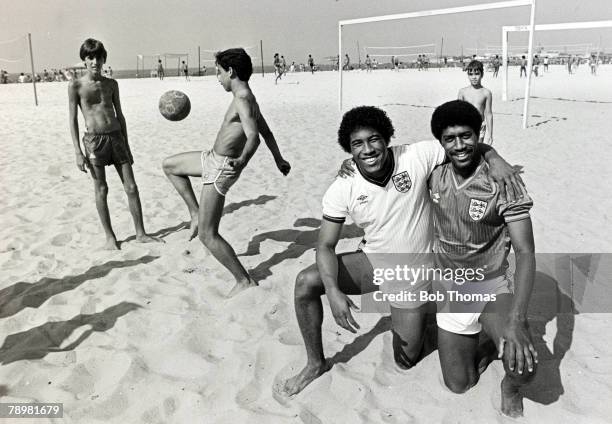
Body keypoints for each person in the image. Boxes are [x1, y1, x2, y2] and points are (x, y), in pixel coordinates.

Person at [280, 106, 524, 397]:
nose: (368, 149)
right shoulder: (342, 186)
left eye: (374, 139)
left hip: (419, 269)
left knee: (405, 361)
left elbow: (461, 142)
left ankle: (454, 328)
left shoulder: (415, 155)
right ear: (349, 149)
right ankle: (315, 363)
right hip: (376, 261)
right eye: (358, 144)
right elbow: (325, 245)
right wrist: (332, 290)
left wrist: (494, 157)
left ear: (387, 139)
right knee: (306, 282)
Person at [429, 100, 537, 417]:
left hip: (492, 287)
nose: (459, 145)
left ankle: (509, 387)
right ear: (441, 142)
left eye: (467, 135)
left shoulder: (503, 182)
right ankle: (487, 343)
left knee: (524, 365)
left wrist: (516, 320)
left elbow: (526, 253)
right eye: (450, 138)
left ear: (479, 134)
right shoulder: (434, 176)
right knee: (459, 385)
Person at [162, 48, 291, 296]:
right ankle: (194, 212)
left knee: (207, 235)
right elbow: (266, 132)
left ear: (230, 71)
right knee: (170, 165)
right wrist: (279, 159)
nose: (217, 78)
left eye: (218, 73)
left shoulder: (242, 99)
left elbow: (253, 137)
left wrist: (242, 161)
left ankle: (244, 280)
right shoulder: (246, 97)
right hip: (212, 158)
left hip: (222, 167)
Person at [68, 38, 161, 250]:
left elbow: (121, 115)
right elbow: (72, 119)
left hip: (116, 137)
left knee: (131, 187)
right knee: (101, 189)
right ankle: (110, 238)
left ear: (103, 59)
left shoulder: (112, 84)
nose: (95, 62)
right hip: (94, 141)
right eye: (90, 57)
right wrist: (77, 152)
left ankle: (141, 233)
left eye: (98, 58)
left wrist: (127, 145)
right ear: (84, 60)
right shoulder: (76, 86)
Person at [457, 60, 493, 145]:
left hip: (480, 126)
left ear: (482, 75)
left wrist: (490, 134)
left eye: (477, 74)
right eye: (471, 74)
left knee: (477, 149)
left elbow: (488, 114)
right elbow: (458, 113)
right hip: (466, 126)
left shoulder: (486, 92)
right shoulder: (462, 92)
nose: (474, 77)